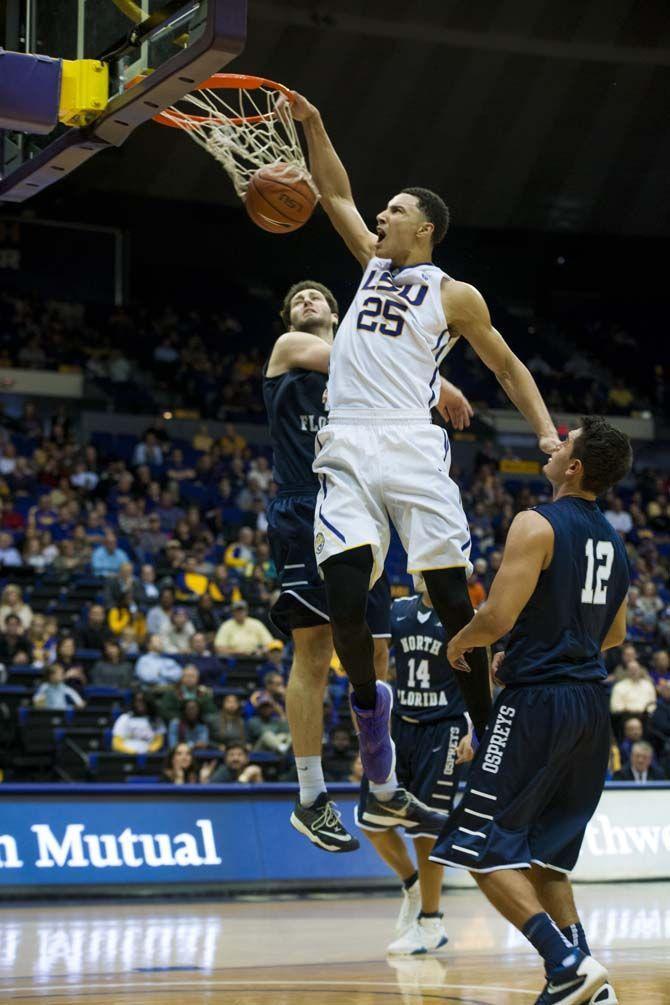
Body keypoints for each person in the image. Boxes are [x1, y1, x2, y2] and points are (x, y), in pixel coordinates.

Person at [285, 92, 560, 796]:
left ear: (426, 228)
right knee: (345, 598)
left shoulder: (455, 294)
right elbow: (335, 192)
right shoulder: (370, 262)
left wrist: (547, 434)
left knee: (447, 597)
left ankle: (483, 725)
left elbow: (506, 365)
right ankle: (371, 715)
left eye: (396, 211)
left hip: (410, 444)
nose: (381, 217)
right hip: (346, 442)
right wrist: (315, 123)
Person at [431, 417, 632, 1005]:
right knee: (548, 861)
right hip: (591, 707)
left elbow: (495, 618)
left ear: (572, 468)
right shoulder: (616, 541)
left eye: (564, 443)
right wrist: (549, 643)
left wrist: (463, 643)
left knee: (476, 847)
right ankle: (588, 982)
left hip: (538, 702)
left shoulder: (535, 522)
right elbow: (613, 634)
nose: (555, 443)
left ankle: (565, 963)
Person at [263, 280, 459, 852]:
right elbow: (363, 360)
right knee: (315, 652)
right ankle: (311, 797)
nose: (305, 301)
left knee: (374, 655)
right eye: (296, 297)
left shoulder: (364, 376)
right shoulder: (290, 349)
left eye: (317, 296)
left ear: (338, 310)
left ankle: (382, 787)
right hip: (304, 507)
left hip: (359, 510)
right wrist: (436, 382)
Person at [356, 591, 471, 955]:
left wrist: (476, 727)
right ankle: (412, 884)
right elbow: (376, 650)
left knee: (427, 830)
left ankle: (432, 921)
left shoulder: (463, 612)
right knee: (370, 821)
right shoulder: (399, 609)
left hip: (444, 728)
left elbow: (480, 673)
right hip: (400, 725)